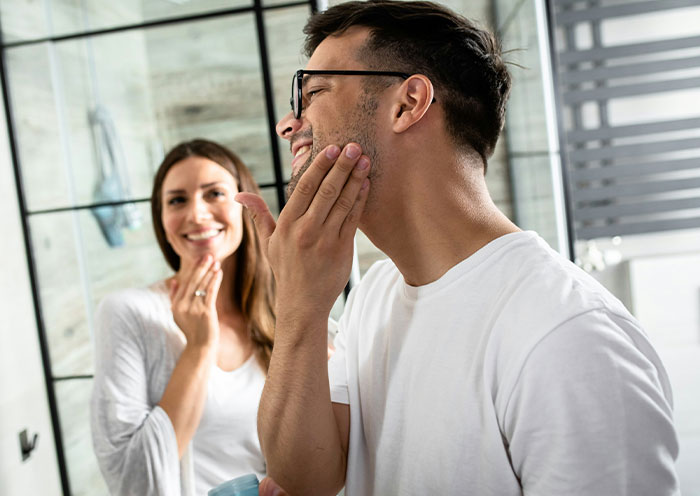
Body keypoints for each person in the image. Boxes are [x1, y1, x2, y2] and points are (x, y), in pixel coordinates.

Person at [236, 1, 681, 495]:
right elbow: (305, 477)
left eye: (314, 92)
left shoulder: (570, 336)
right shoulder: (374, 295)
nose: (287, 124)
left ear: (408, 103)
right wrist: (299, 306)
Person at [91, 139, 275, 496]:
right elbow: (133, 482)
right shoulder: (128, 313)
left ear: (245, 203)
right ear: (162, 221)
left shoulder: (282, 315)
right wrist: (199, 346)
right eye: (177, 200)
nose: (196, 214)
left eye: (214, 194)